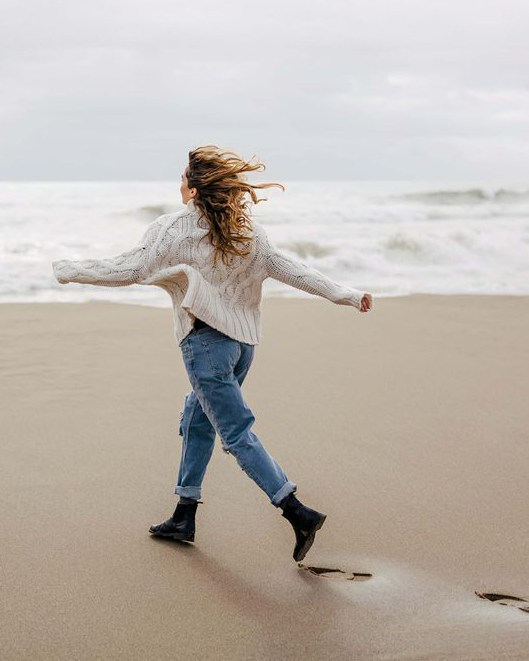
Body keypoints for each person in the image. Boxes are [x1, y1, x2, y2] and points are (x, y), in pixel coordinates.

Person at [51, 144, 373, 562]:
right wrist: (345, 294)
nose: (179, 185)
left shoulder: (174, 229)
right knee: (195, 420)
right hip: (242, 347)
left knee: (236, 433)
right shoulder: (247, 232)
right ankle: (184, 514)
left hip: (206, 347)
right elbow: (293, 269)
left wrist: (71, 270)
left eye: (183, 179)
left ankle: (296, 511)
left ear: (195, 190)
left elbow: (130, 269)